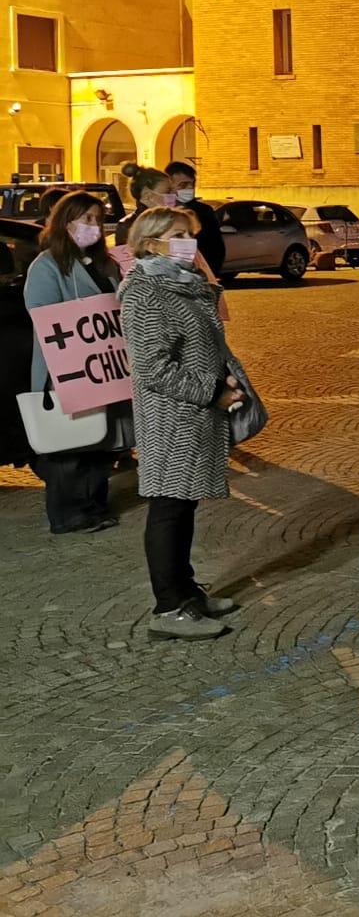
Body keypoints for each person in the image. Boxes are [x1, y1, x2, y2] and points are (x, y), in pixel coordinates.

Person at [118, 206, 244, 640]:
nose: (189, 240)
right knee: (169, 507)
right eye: (178, 233)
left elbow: (197, 347)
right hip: (172, 417)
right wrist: (213, 390)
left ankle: (188, 592)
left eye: (190, 232)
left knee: (184, 504)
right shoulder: (146, 293)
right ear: (151, 243)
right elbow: (152, 368)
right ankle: (168, 607)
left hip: (194, 415)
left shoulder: (184, 285)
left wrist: (223, 376)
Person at [22, 192, 132, 534]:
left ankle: (94, 503)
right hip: (68, 370)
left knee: (102, 439)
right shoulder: (47, 265)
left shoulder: (106, 263)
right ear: (65, 222)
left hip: (104, 369)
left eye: (98, 220)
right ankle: (69, 513)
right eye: (86, 219)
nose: (94, 226)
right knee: (71, 445)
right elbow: (42, 313)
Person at [165, 161, 226, 278]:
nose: (189, 188)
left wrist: (210, 272)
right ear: (169, 186)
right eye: (183, 185)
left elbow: (216, 245)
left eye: (192, 184)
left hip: (201, 273)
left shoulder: (204, 211)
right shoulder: (161, 212)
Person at [116, 162, 178, 248]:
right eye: (167, 191)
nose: (174, 195)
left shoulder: (175, 220)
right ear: (147, 195)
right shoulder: (128, 225)